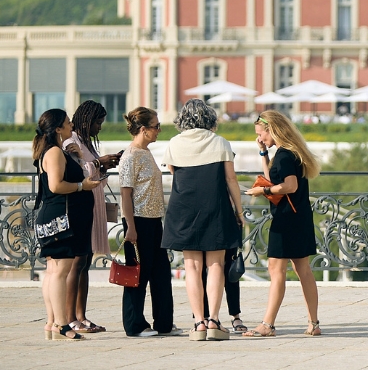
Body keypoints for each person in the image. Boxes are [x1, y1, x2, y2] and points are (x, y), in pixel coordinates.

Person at [162, 99, 243, 341]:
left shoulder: (174, 143)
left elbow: (173, 172)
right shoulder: (220, 142)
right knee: (215, 264)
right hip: (215, 206)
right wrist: (239, 211)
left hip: (184, 208)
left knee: (192, 267)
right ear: (209, 118)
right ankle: (214, 321)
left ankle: (198, 322)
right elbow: (230, 180)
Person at [242, 110, 322, 336]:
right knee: (302, 269)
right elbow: (272, 179)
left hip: (286, 219)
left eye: (261, 134)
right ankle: (314, 323)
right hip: (299, 217)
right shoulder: (290, 153)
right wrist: (263, 154)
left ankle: (267, 325)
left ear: (272, 130)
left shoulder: (285, 155)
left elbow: (289, 186)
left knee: (276, 269)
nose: (259, 138)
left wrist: (262, 191)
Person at [34, 109, 103, 340]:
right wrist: (83, 186)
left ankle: (52, 322)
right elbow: (56, 185)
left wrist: (77, 158)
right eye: (67, 122)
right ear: (57, 129)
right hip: (59, 219)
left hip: (54, 217)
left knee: (53, 271)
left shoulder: (54, 151)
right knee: (59, 272)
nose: (71, 125)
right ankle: (61, 324)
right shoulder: (54, 152)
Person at [62, 100, 122, 335]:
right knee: (78, 261)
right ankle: (70, 318)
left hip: (92, 202)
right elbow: (75, 171)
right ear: (87, 120)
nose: (100, 127)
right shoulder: (71, 142)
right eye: (98, 122)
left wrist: (103, 167)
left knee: (85, 261)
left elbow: (93, 175)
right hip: (79, 205)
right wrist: (98, 162)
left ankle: (81, 316)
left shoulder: (85, 142)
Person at [118, 107, 175, 337]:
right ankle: (135, 325)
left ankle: (164, 322)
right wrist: (130, 227)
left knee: (160, 273)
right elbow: (125, 195)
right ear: (143, 129)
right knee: (137, 275)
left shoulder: (146, 152)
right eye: (156, 126)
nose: (159, 130)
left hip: (154, 220)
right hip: (138, 222)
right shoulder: (130, 156)